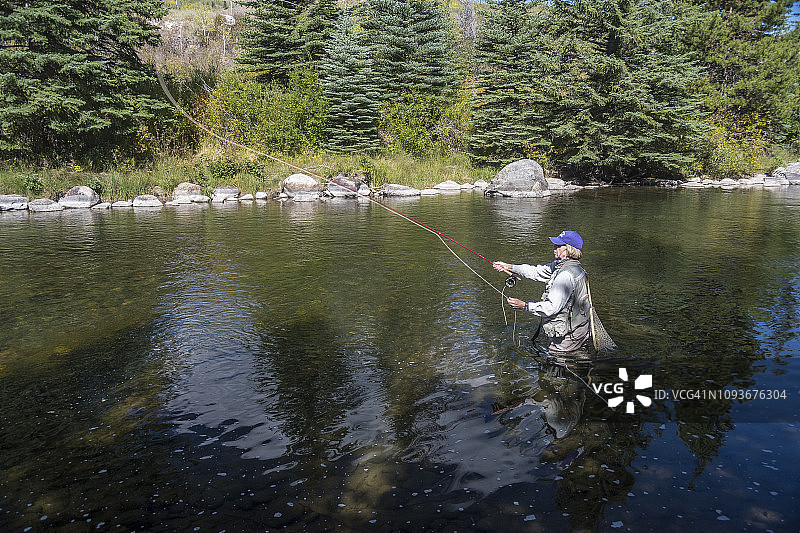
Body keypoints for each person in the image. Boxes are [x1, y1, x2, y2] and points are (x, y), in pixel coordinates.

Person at [493, 230, 592, 356]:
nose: (554, 248)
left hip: (568, 336)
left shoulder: (565, 275)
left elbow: (551, 308)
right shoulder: (571, 266)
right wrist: (510, 267)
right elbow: (536, 272)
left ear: (568, 250)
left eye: (558, 246)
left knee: (557, 367)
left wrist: (524, 305)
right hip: (580, 328)